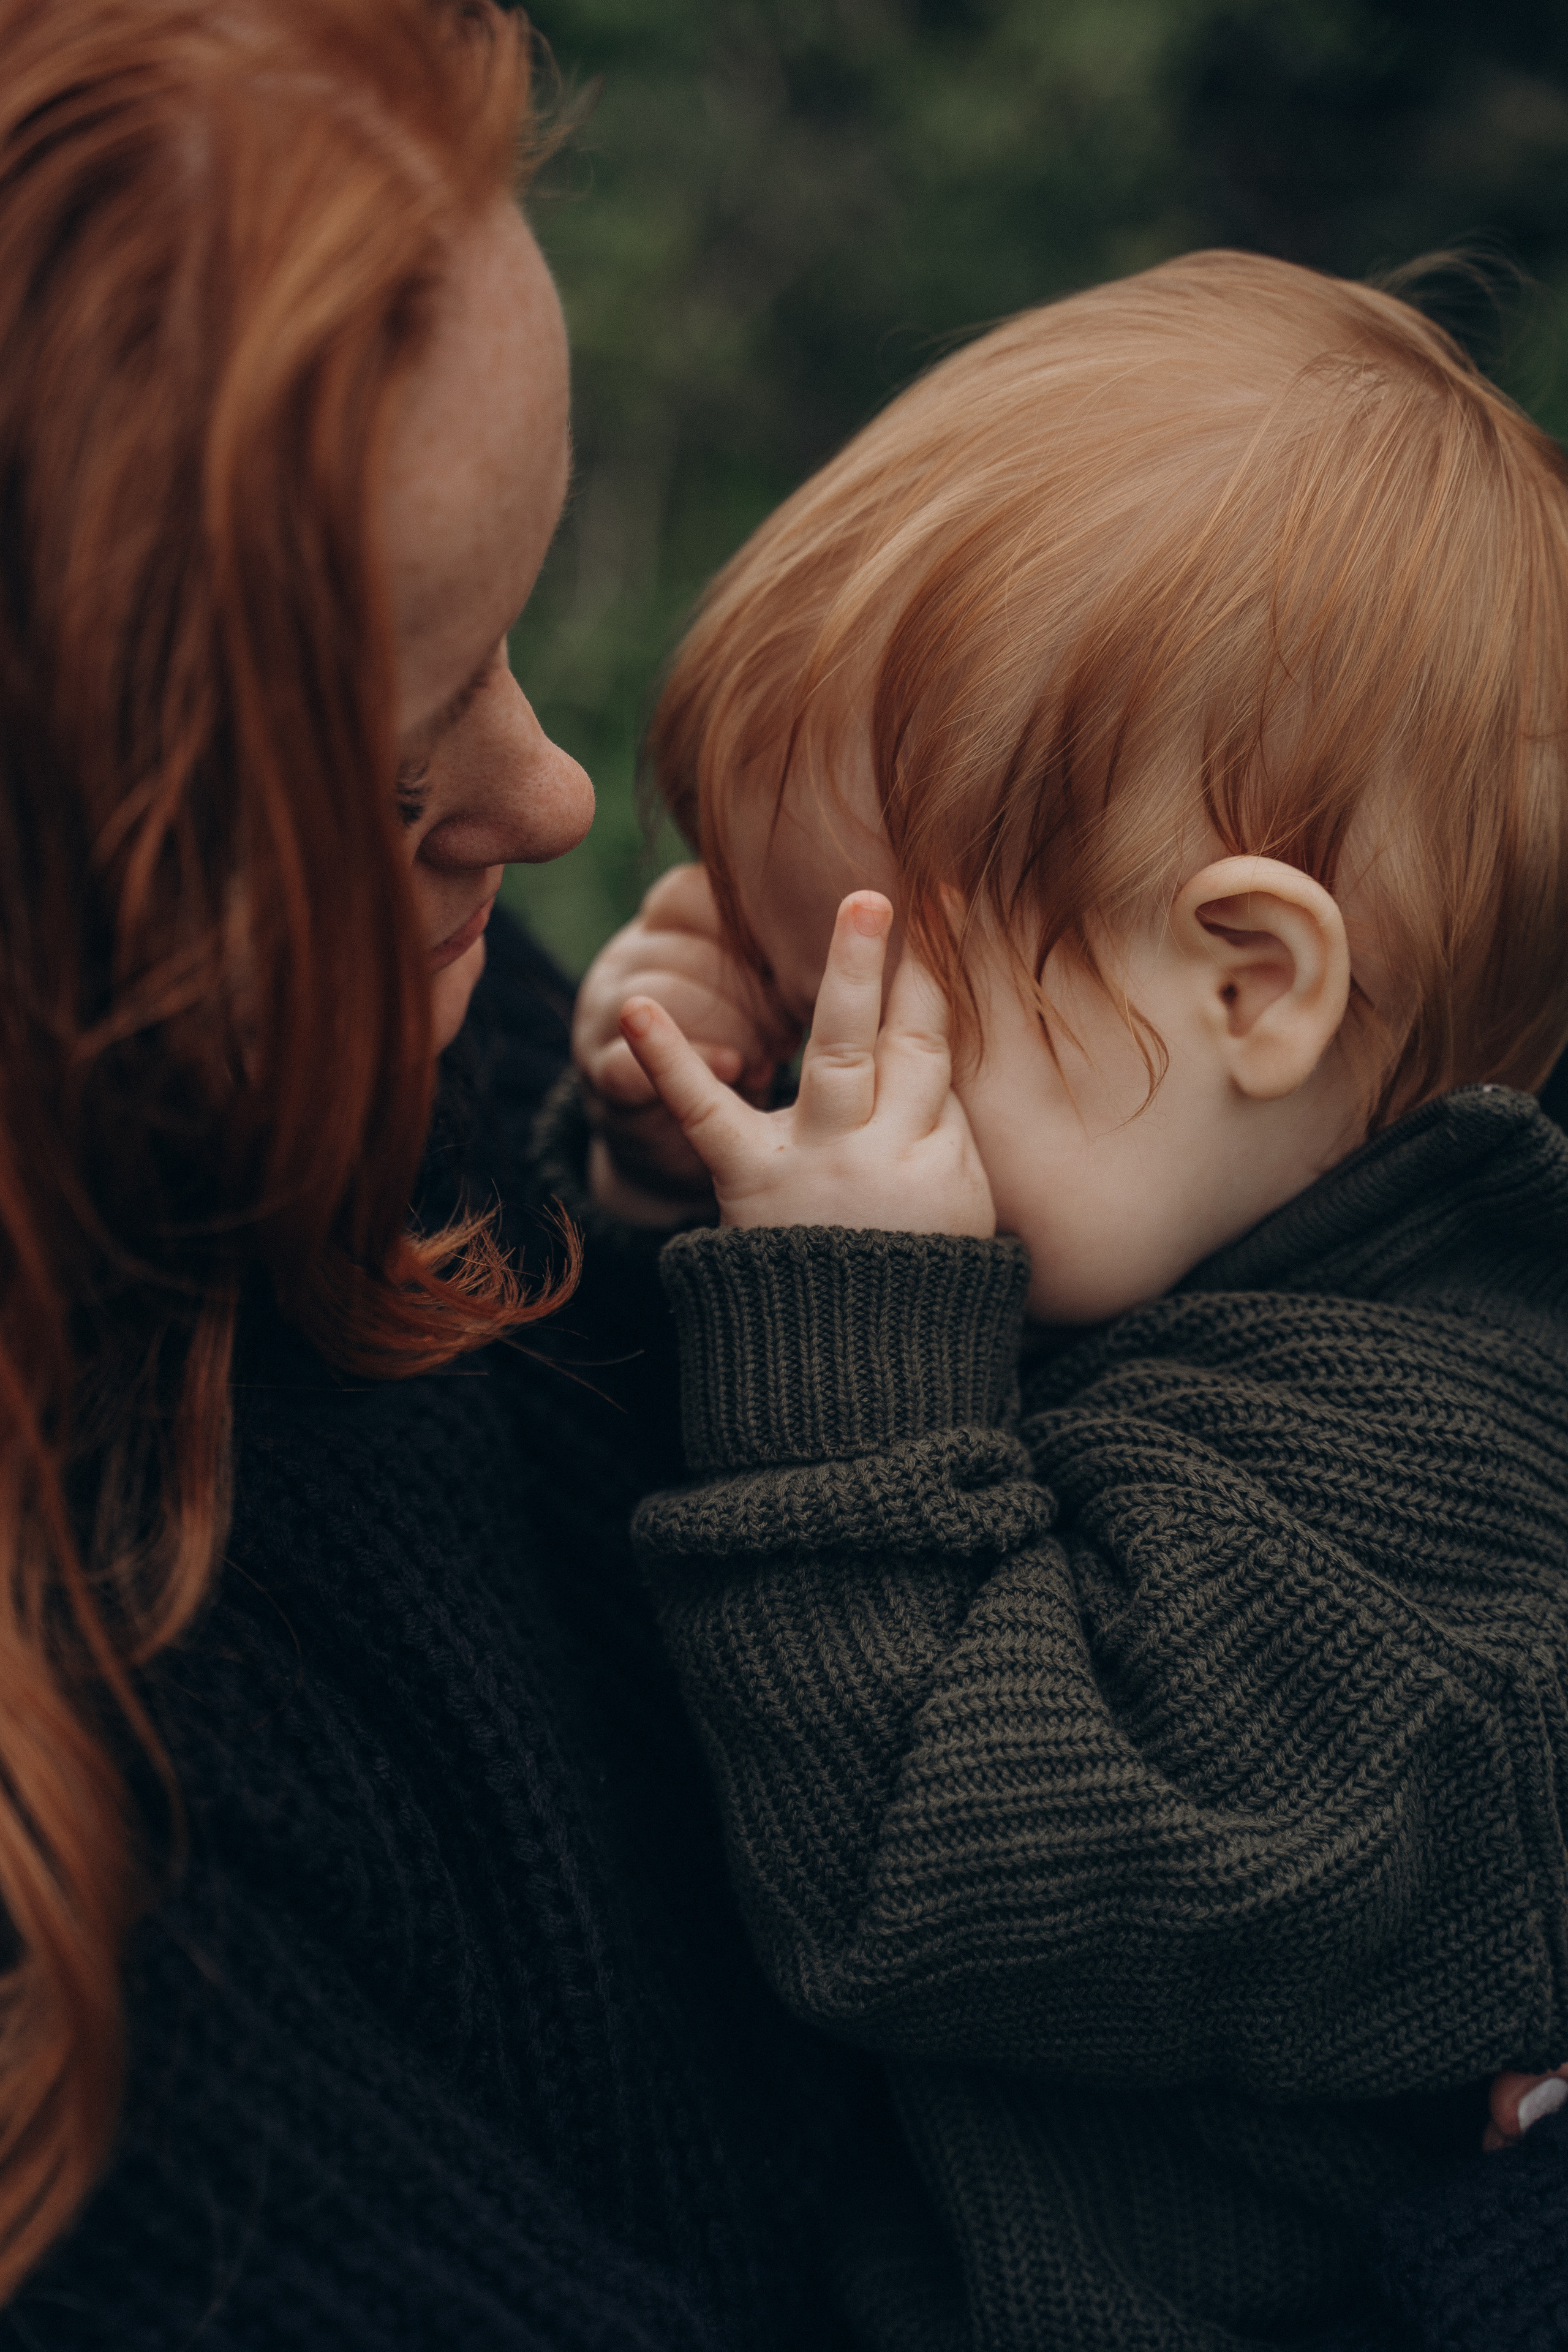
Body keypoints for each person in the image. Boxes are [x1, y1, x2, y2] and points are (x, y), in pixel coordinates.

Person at [571, 250, 1568, 2348]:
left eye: (867, 1009)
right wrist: (686, 1202)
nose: (799, 1072)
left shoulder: (1447, 1515)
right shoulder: (1154, 1283)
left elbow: (948, 1868)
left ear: (1249, 984)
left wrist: (834, 1337)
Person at [0, 1, 855, 2343]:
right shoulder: (97, 1990)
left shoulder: (402, 1029)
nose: (562, 796)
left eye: (512, 628)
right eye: (388, 786)